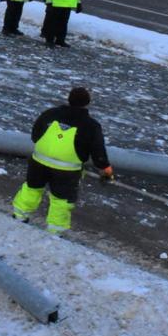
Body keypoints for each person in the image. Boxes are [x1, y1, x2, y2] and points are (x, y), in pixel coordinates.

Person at [12, 87, 114, 235]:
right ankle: (55, 231)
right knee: (61, 200)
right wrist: (106, 173)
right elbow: (98, 152)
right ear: (87, 103)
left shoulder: (50, 114)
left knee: (31, 189)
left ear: (69, 99)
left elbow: (35, 135)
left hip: (38, 163)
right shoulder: (91, 125)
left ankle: (19, 216)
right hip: (67, 171)